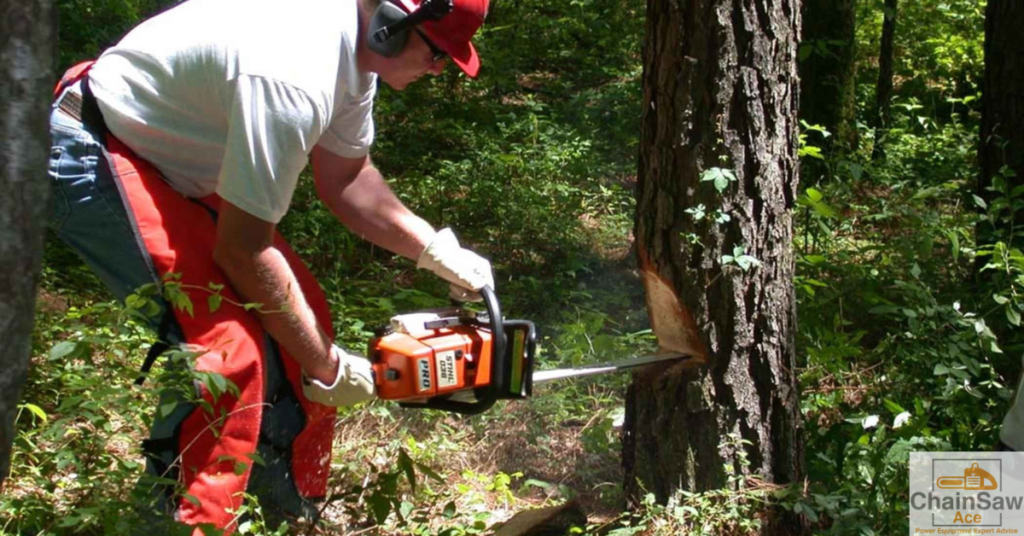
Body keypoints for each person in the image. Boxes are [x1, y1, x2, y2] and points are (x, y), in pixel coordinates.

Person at [46, 0, 493, 531]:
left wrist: (433, 248)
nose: (438, 68)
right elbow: (244, 250)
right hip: (96, 146)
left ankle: (282, 514)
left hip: (173, 159)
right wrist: (328, 367)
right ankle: (182, 523)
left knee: (303, 329)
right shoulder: (296, 72)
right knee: (227, 356)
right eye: (437, 52)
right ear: (390, 26)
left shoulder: (354, 61)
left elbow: (346, 178)